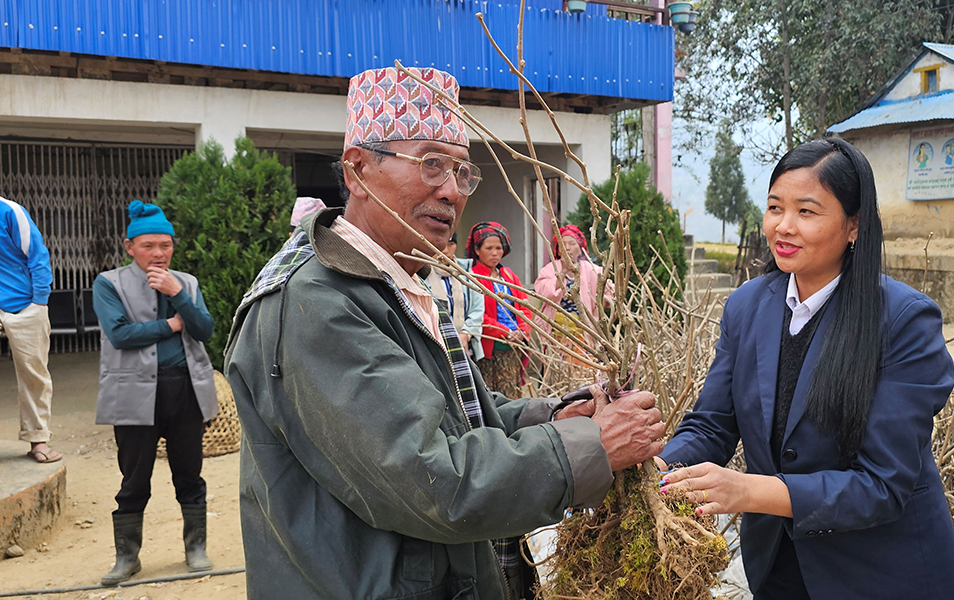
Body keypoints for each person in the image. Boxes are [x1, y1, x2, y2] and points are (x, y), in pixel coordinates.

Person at [224, 65, 666, 600]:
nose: (452, 191)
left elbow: (456, 417)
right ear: (358, 170)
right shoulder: (315, 303)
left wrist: (553, 415)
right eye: (431, 164)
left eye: (462, 172)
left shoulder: (396, 282)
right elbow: (434, 479)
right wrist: (592, 445)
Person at [656, 139, 954, 599]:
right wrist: (660, 469)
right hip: (778, 569)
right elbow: (713, 426)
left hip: (882, 575)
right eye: (775, 207)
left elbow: (882, 484)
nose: (784, 226)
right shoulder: (746, 306)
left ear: (854, 226)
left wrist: (747, 492)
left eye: (807, 211)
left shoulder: (902, 320)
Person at [93, 200, 218, 585]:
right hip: (133, 393)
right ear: (129, 247)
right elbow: (120, 334)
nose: (159, 253)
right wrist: (171, 325)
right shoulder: (109, 283)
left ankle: (196, 548)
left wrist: (177, 293)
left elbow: (205, 329)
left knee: (190, 474)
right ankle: (126, 557)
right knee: (133, 481)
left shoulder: (187, 282)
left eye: (165, 245)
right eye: (148, 245)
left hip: (184, 391)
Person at [0, 197, 60, 463]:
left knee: (33, 373)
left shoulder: (10, 211)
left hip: (23, 303)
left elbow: (37, 254)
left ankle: (38, 439)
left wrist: (39, 302)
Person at [468, 221, 534, 398]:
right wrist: (505, 331)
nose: (495, 253)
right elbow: (477, 315)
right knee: (492, 396)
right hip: (489, 348)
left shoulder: (509, 275)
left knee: (512, 394)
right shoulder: (472, 277)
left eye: (498, 248)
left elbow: (525, 307)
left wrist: (522, 330)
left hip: (513, 347)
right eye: (489, 248)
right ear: (477, 250)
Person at [533, 224, 612, 350]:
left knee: (583, 367)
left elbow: (609, 295)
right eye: (563, 244)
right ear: (558, 249)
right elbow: (543, 292)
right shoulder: (549, 269)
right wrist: (563, 272)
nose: (567, 248)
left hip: (584, 333)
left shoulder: (592, 270)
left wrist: (599, 303)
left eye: (572, 243)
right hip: (556, 333)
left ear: (581, 249)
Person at [425, 232, 485, 360]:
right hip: (436, 348)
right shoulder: (422, 273)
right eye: (440, 244)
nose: (445, 250)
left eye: (451, 244)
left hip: (465, 347)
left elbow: (477, 309)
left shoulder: (466, 273)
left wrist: (465, 334)